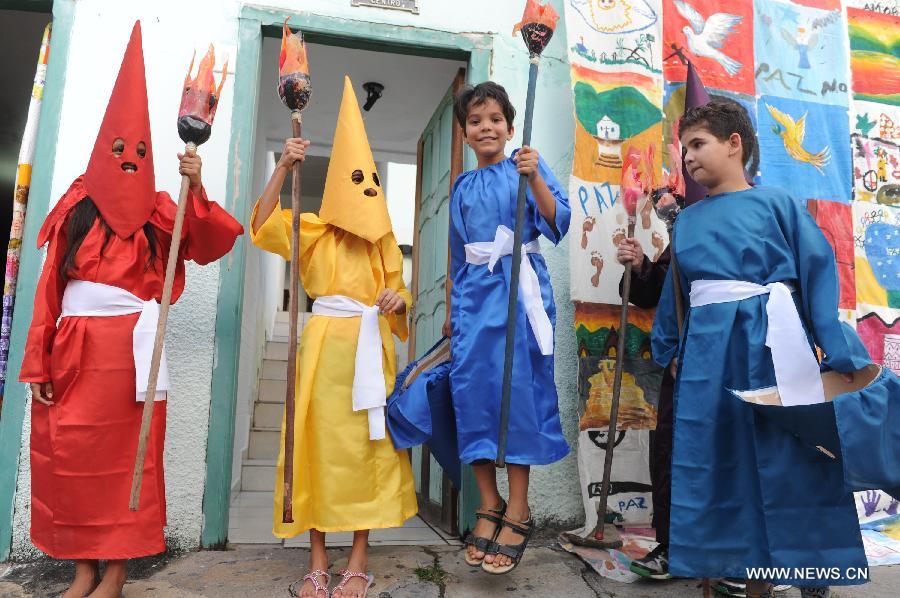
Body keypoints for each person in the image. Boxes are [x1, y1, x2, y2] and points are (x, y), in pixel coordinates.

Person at [20, 22, 243, 598]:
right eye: (118, 149)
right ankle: (83, 569)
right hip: (73, 352)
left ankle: (116, 573)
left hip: (132, 356)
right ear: (100, 151)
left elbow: (210, 242)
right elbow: (48, 291)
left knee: (127, 462)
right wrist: (38, 364)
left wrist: (196, 189)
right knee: (71, 458)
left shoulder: (160, 210)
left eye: (139, 152)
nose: (128, 160)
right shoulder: (75, 208)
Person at [652, 100, 873, 598]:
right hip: (710, 358)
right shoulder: (687, 222)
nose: (688, 157)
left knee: (782, 458)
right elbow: (679, 296)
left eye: (699, 144)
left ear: (735, 145)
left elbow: (816, 272)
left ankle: (797, 573)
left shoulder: (777, 202)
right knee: (716, 459)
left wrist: (833, 348)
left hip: (772, 346)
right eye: (684, 148)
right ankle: (727, 577)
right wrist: (670, 352)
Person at [250, 76, 416, 598]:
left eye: (374, 182)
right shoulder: (315, 229)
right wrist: (282, 167)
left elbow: (399, 295)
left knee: (369, 450)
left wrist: (396, 300)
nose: (368, 191)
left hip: (371, 352)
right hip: (322, 351)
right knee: (316, 447)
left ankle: (359, 555)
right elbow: (259, 224)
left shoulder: (386, 239)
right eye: (359, 181)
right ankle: (318, 556)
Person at [446, 81, 570, 574]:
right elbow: (458, 258)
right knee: (472, 394)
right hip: (475, 301)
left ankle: (519, 505)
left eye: (495, 119)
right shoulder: (460, 188)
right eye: (475, 121)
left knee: (518, 395)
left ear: (510, 126)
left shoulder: (525, 166)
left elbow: (556, 220)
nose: (486, 127)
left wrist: (535, 176)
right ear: (464, 133)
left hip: (521, 293)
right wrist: (455, 314)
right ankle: (489, 500)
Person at [615, 238, 673, 580]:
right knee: (671, 444)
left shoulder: (769, 213)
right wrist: (641, 267)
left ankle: (743, 559)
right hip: (688, 356)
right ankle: (673, 547)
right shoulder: (690, 224)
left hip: (745, 349)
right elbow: (660, 289)